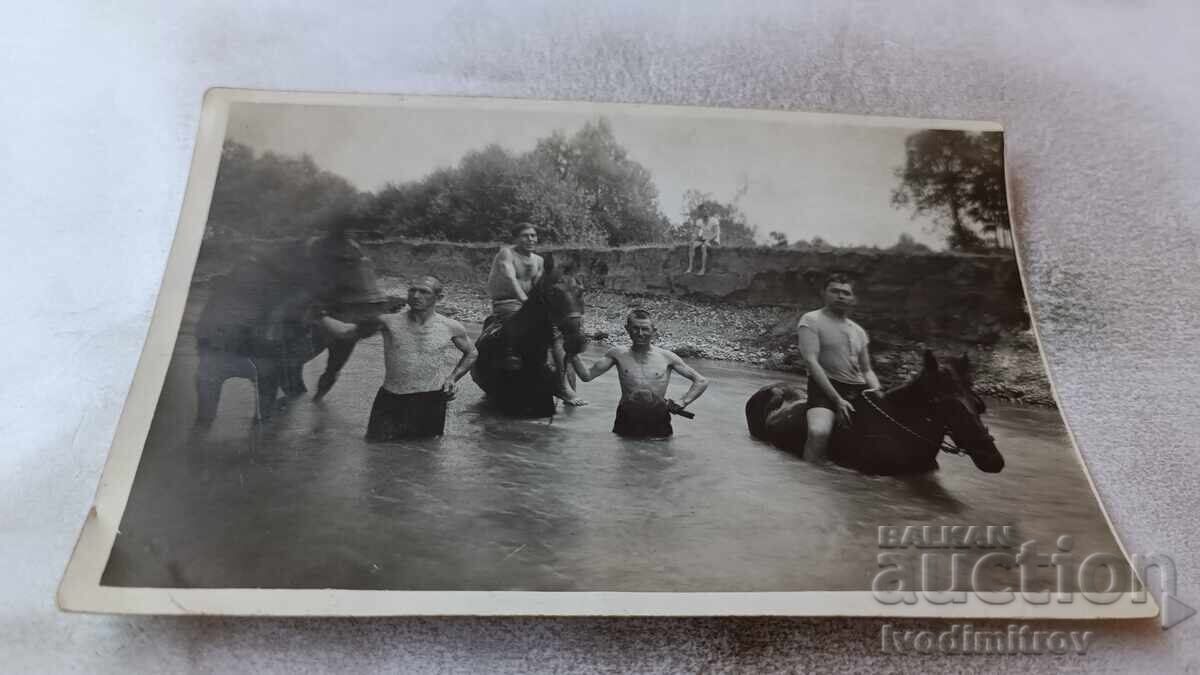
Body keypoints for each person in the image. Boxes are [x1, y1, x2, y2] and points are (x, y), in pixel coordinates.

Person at [321, 275, 476, 441]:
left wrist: (453, 378)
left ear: (439, 298)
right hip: (391, 399)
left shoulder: (451, 327)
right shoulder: (387, 322)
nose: (416, 296)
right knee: (376, 451)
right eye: (412, 290)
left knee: (426, 453)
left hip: (431, 401)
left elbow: (472, 353)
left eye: (424, 292)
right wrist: (319, 316)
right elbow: (346, 332)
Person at [486, 222, 586, 406]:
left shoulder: (539, 260)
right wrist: (524, 300)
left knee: (555, 333)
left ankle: (563, 385)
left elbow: (540, 286)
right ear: (516, 238)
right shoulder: (506, 253)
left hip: (529, 303)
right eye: (525, 235)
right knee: (512, 323)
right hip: (507, 302)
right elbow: (510, 278)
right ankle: (509, 357)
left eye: (533, 235)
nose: (530, 239)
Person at [569, 309, 708, 438]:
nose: (640, 333)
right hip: (627, 414)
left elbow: (701, 381)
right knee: (625, 458)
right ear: (627, 329)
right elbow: (586, 376)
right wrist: (572, 353)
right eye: (636, 328)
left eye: (645, 329)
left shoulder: (667, 357)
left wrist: (683, 401)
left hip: (658, 416)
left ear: (654, 331)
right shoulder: (617, 354)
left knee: (660, 456)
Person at [796, 273, 882, 463]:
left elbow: (867, 370)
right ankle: (808, 479)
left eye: (846, 293)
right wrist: (837, 400)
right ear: (823, 293)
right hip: (824, 390)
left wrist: (877, 392)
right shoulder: (811, 320)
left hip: (859, 390)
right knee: (818, 433)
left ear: (854, 299)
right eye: (835, 291)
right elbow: (811, 361)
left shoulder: (859, 331)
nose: (841, 296)